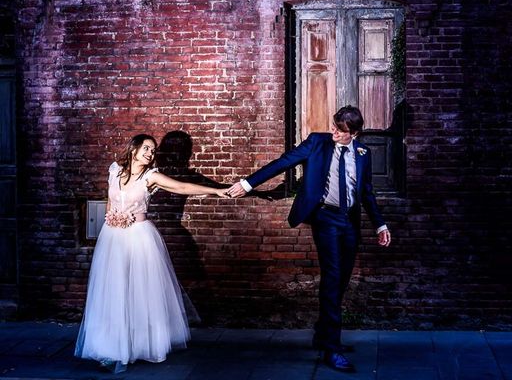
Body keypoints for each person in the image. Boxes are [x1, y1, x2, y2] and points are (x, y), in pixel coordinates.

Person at [227, 105, 391, 373]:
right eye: (334, 126)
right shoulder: (317, 142)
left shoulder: (363, 153)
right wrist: (248, 184)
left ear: (355, 133)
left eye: (340, 130)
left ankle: (324, 334)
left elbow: (367, 192)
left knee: (342, 279)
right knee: (333, 277)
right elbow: (283, 162)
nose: (334, 132)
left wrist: (380, 224)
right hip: (325, 218)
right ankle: (332, 349)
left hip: (350, 221)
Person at [75, 134, 226, 373]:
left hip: (139, 237)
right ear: (133, 149)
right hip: (112, 237)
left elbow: (182, 186)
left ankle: (139, 345)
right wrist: (108, 225)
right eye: (146, 148)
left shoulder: (151, 177)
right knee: (113, 291)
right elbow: (110, 203)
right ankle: (109, 346)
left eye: (153, 150)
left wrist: (217, 192)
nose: (150, 153)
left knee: (138, 291)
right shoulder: (115, 171)